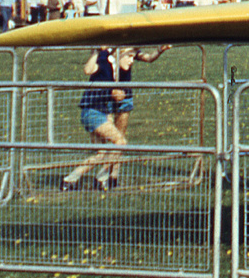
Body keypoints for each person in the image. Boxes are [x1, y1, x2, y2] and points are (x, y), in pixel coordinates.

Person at [61, 45, 169, 190]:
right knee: (120, 142)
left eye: (133, 57)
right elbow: (88, 70)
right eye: (129, 56)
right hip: (93, 112)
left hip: (102, 111)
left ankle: (70, 180)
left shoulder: (114, 67)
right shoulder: (104, 61)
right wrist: (97, 52)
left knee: (101, 153)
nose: (132, 61)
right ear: (119, 54)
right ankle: (102, 177)